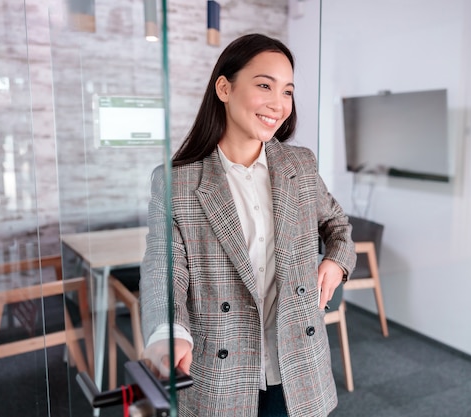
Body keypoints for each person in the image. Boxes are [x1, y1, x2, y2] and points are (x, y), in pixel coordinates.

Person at [140, 33, 356, 417]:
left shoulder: (300, 166)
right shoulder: (178, 182)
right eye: (264, 86)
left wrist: (336, 263)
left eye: (287, 91)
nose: (279, 104)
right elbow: (164, 267)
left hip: (298, 365)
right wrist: (168, 332)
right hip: (220, 372)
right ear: (224, 88)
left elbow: (338, 226)